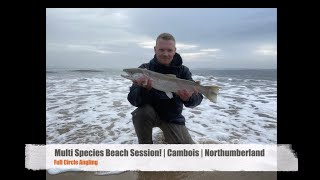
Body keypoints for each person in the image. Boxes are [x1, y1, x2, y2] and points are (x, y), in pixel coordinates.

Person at [127, 33, 203, 144]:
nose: (165, 54)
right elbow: (133, 100)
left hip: (173, 117)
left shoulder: (183, 71)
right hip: (150, 114)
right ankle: (145, 149)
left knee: (187, 153)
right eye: (161, 50)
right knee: (141, 113)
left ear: (175, 50)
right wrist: (144, 90)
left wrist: (188, 98)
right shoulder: (144, 70)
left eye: (169, 50)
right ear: (155, 49)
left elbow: (197, 100)